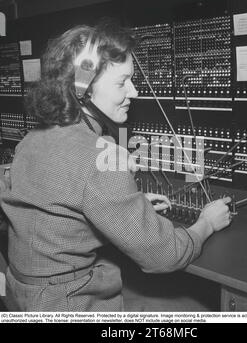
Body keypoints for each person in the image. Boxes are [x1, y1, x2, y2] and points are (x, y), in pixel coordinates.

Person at [1, 18, 231, 312]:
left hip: (23, 295)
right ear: (82, 89)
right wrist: (207, 223)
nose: (134, 92)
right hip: (68, 304)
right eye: (122, 82)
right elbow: (166, 255)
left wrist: (130, 204)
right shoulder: (101, 159)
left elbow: (57, 208)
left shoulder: (31, 140)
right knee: (199, 309)